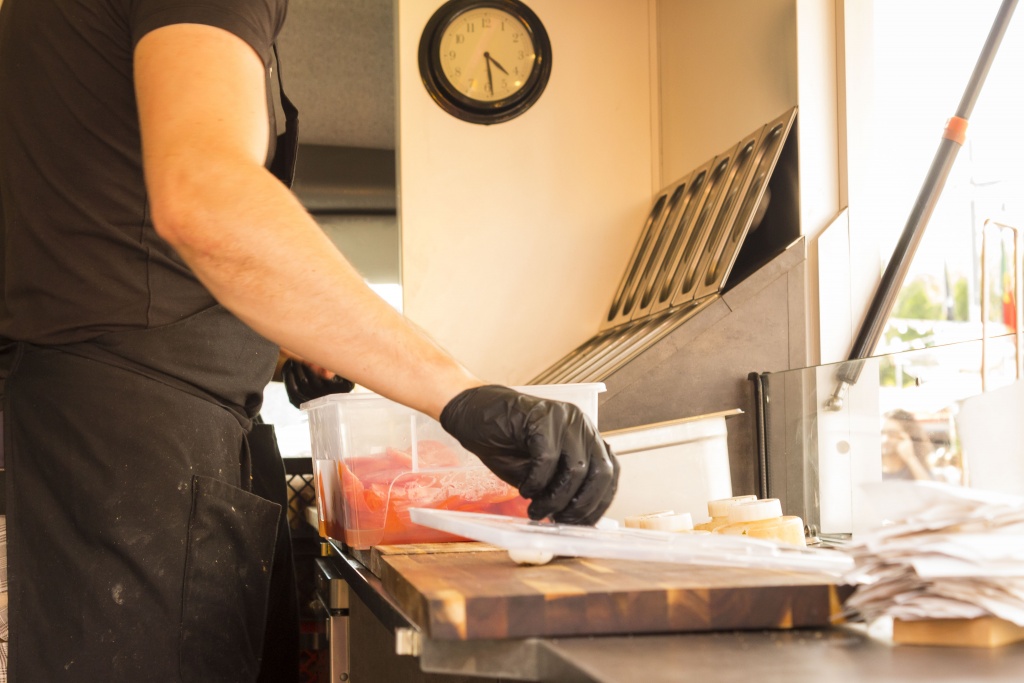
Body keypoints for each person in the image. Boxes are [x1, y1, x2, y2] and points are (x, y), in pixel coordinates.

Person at [0, 1, 619, 681]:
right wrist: (458, 394)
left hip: (113, 420)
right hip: (139, 442)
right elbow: (205, 199)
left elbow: (116, 228)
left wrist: (287, 349)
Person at [881, 409, 935, 481]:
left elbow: (930, 491)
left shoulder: (916, 470)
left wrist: (910, 458)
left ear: (907, 438)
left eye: (892, 434)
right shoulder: (871, 470)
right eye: (881, 433)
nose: (885, 439)